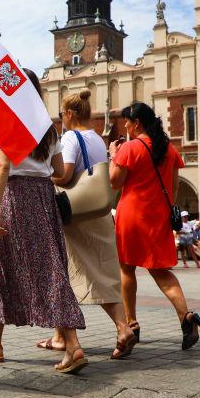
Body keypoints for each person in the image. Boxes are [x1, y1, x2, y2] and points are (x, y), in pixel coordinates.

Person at [0, 69, 88, 374]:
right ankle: (70, 344)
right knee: (52, 266)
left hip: (16, 197)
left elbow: (1, 166)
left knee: (5, 266)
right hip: (44, 196)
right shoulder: (47, 127)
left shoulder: (5, 119)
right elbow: (59, 171)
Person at [39, 90, 136, 360]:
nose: (62, 120)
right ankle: (119, 327)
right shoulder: (96, 137)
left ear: (70, 114)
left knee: (69, 272)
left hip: (77, 214)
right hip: (99, 211)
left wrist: (47, 176)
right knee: (101, 272)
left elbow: (66, 173)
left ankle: (74, 338)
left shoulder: (71, 137)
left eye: (62, 115)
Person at [109, 103, 200, 351]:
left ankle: (132, 324)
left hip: (131, 214)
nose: (126, 128)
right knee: (161, 271)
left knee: (127, 269)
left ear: (137, 123)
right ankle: (186, 316)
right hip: (158, 217)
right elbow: (172, 190)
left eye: (127, 123)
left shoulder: (129, 148)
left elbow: (114, 182)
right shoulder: (169, 149)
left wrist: (112, 156)